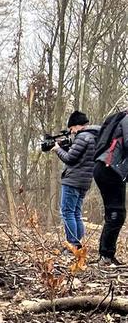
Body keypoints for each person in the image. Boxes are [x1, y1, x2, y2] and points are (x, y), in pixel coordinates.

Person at [53, 111, 99, 251]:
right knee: (76, 213)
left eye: (71, 129)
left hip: (73, 180)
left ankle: (73, 245)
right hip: (85, 180)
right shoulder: (94, 137)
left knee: (67, 212)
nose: (71, 132)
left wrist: (57, 149)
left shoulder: (82, 137)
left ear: (77, 126)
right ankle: (78, 244)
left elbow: (70, 159)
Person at [93, 110, 128, 266]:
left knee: (115, 212)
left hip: (109, 167)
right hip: (109, 167)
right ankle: (105, 256)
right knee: (116, 212)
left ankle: (107, 254)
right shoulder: (127, 119)